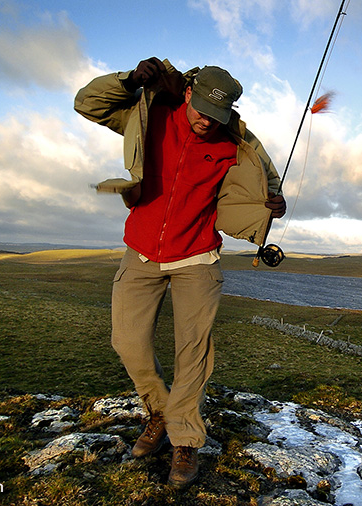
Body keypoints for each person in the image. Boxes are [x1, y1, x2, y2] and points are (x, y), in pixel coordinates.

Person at [74, 57, 285, 489]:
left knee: (193, 351)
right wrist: (130, 81)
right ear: (188, 93)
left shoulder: (236, 143)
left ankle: (184, 438)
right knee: (126, 340)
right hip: (142, 251)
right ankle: (158, 411)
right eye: (203, 110)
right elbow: (87, 104)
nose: (209, 121)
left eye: (219, 115)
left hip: (198, 256)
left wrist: (274, 202)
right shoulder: (151, 113)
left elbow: (268, 179)